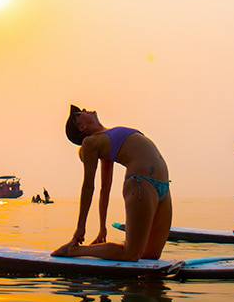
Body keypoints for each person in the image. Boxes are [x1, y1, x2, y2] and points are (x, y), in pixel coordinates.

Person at [52, 105, 172, 260]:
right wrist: (80, 228)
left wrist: (103, 228)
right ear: (81, 126)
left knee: (151, 255)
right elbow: (88, 187)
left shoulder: (106, 136)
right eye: (80, 113)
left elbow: (105, 189)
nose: (86, 109)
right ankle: (74, 251)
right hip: (141, 184)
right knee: (131, 254)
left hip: (163, 188)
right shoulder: (90, 142)